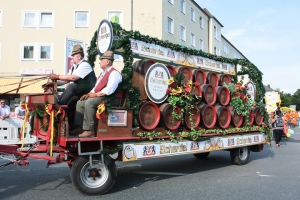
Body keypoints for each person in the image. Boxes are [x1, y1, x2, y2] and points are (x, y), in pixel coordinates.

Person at [71, 51, 122, 138]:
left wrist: (95, 95)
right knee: (80, 102)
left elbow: (110, 89)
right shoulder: (102, 73)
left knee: (90, 102)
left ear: (108, 62)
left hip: (111, 98)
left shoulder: (114, 73)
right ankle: (80, 127)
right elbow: (96, 87)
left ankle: (90, 130)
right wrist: (89, 94)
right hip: (102, 96)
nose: (99, 62)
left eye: (101, 60)